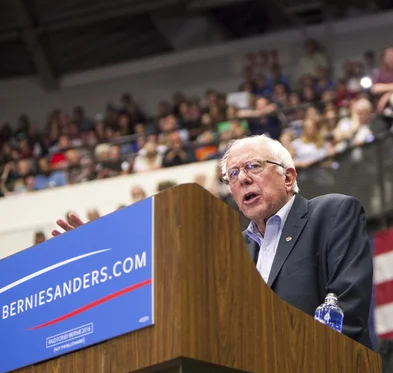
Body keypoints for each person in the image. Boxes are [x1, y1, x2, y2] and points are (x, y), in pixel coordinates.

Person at [51, 135, 374, 350]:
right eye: (232, 175)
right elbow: (177, 294)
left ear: (288, 177)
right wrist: (101, 257)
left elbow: (347, 311)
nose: (242, 179)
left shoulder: (332, 213)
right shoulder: (232, 252)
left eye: (253, 167)